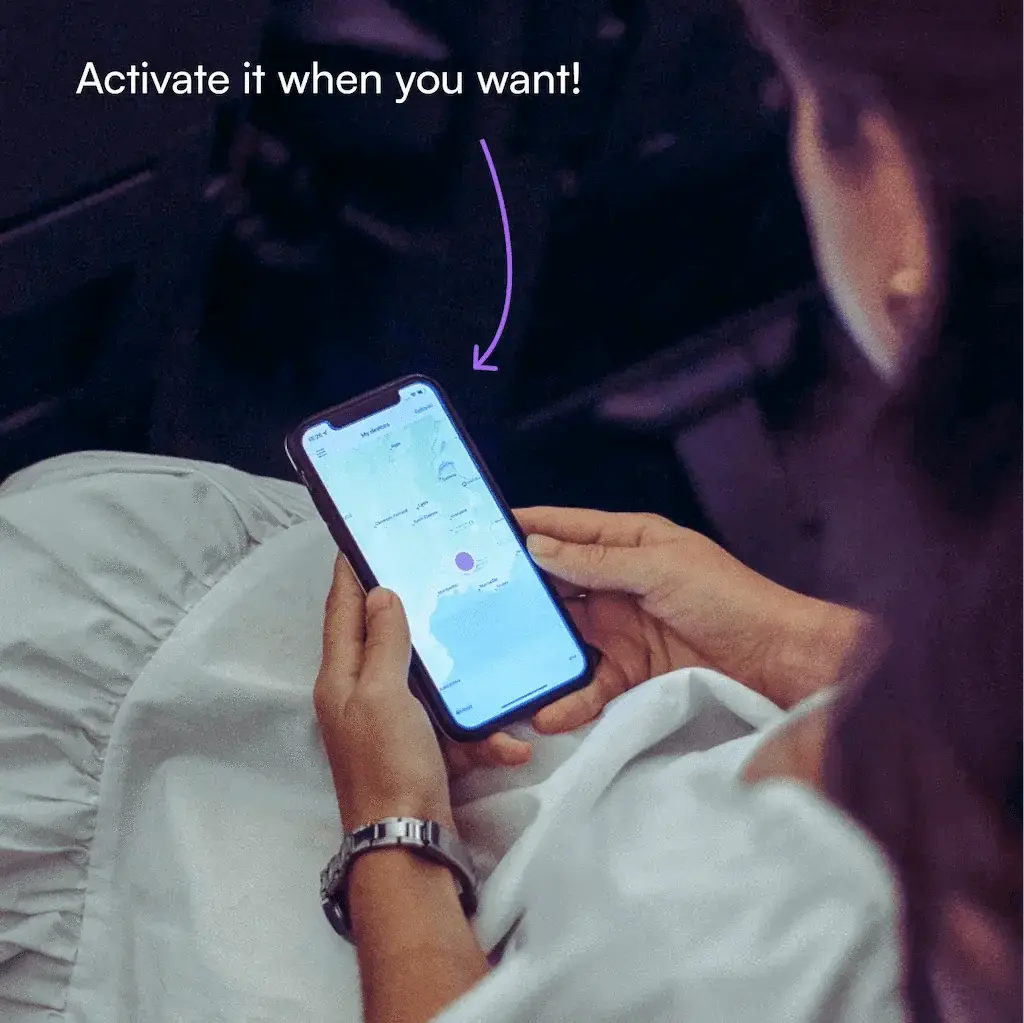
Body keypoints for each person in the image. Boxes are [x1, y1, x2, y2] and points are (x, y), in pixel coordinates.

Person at [311, 1, 1024, 1021]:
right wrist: (798, 646)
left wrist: (390, 829)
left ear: (905, 200)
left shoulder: (790, 902)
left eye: (797, 97)